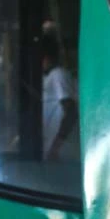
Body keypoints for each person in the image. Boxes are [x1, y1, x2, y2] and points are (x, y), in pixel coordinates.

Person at [40, 32, 79, 162]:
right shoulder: (47, 78)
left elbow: (71, 111)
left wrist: (56, 146)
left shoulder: (58, 75)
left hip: (61, 152)